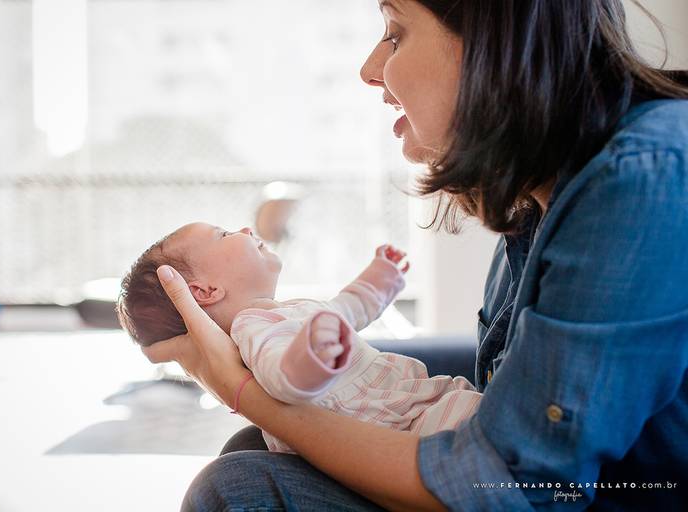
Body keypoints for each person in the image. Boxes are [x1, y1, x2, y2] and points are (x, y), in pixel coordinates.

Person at [141, 0, 688, 510]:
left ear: (493, 42)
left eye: (396, 34)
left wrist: (243, 390)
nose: (369, 68)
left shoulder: (639, 180)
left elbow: (513, 483)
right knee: (251, 446)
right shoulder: (537, 202)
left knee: (237, 487)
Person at [117, 223, 482, 453]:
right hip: (403, 425)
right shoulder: (252, 327)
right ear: (206, 290)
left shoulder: (280, 312)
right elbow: (284, 379)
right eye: (225, 235)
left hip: (407, 409)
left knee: (483, 413)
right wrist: (313, 353)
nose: (244, 229)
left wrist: (380, 278)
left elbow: (347, 309)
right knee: (483, 424)